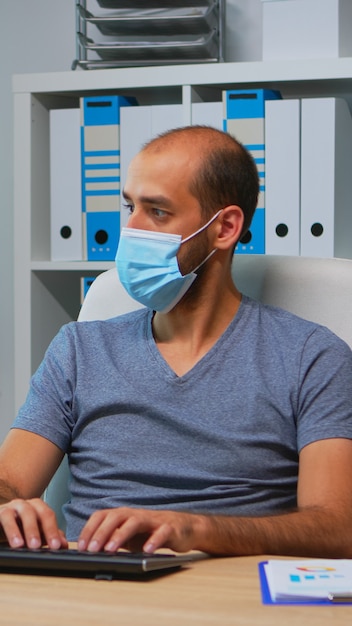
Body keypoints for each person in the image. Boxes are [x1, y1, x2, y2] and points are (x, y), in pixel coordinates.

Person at [1, 125, 352, 558]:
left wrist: (196, 530)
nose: (130, 230)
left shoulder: (312, 357)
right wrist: (7, 509)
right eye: (130, 206)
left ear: (225, 227)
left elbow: (337, 528)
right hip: (91, 587)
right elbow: (10, 482)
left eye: (157, 212)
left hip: (227, 598)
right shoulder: (78, 349)